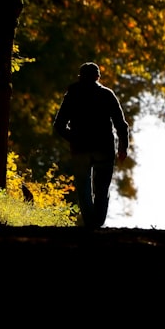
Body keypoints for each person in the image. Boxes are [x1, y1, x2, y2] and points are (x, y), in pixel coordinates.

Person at [52, 62, 130, 229]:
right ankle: (98, 223)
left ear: (80, 77)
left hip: (80, 149)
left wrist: (73, 138)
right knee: (102, 190)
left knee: (83, 189)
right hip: (104, 148)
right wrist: (123, 147)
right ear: (98, 77)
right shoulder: (107, 95)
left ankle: (90, 225)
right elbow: (121, 124)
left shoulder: (72, 95)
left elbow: (58, 125)